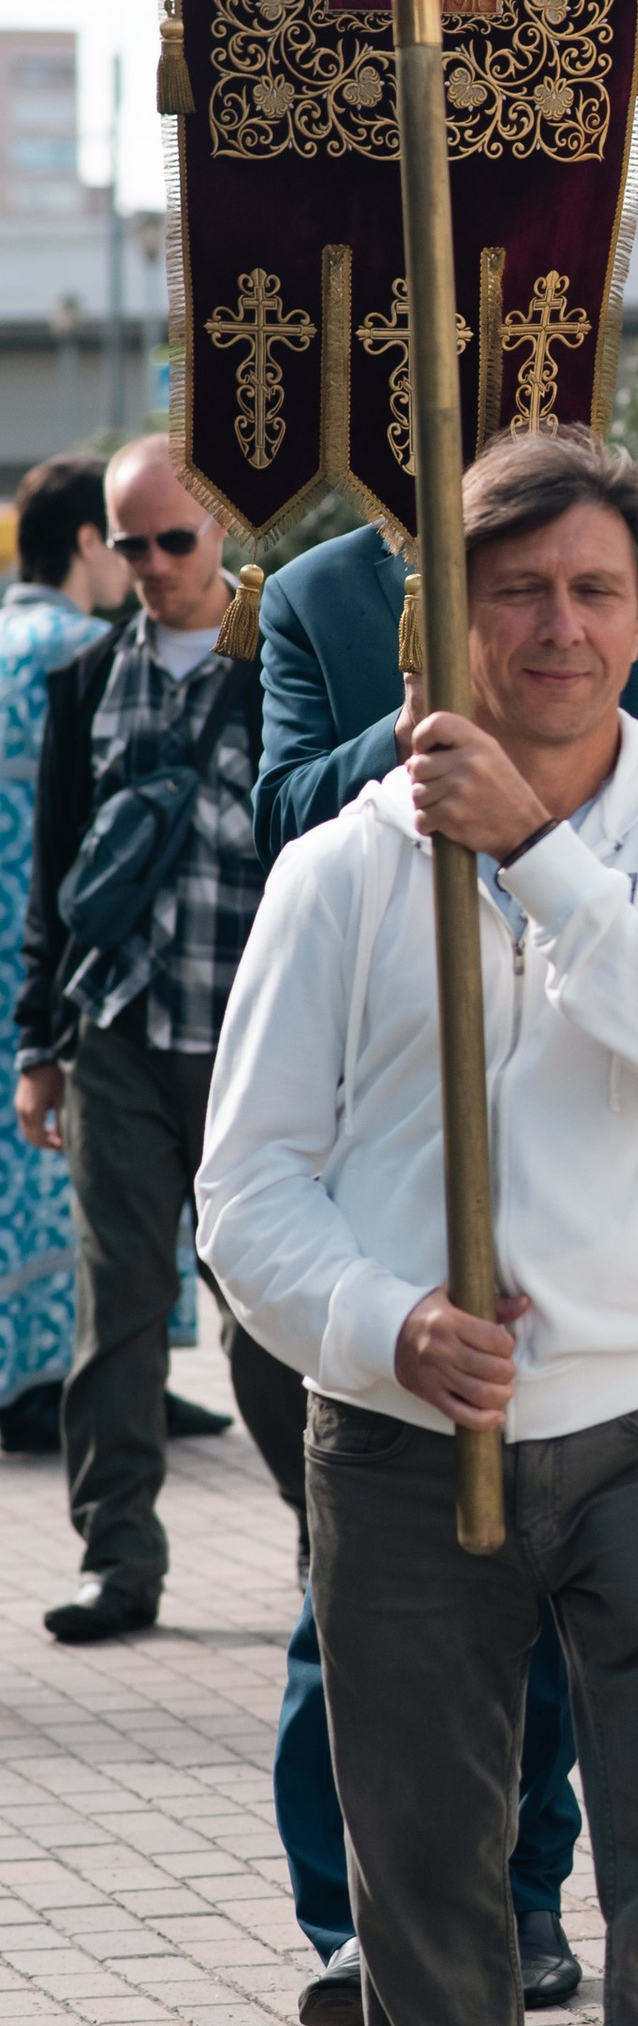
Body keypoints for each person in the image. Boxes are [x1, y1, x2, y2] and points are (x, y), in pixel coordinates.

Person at [197, 432, 638, 2026]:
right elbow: (245, 1187)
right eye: (517, 591)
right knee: (424, 1893)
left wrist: (535, 850)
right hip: (400, 1441)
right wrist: (383, 1320)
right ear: (449, 622)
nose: (558, 628)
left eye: (595, 591)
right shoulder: (336, 873)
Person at [13, 436, 306, 1645]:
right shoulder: (87, 678)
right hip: (121, 1028)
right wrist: (41, 1042)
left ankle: (322, 1545)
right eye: (128, 543)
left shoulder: (286, 663)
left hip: (254, 1035)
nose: (148, 564)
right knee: (116, 1308)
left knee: (269, 1311)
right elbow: (56, 876)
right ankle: (118, 1558)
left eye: (171, 540)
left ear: (223, 532)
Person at [251, 497, 638, 863]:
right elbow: (283, 829)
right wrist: (407, 730)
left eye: (593, 592)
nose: (562, 630)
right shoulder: (311, 594)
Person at [1, 463, 134, 1454]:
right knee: (68, 1173)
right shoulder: (96, 651)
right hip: (67, 950)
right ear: (91, 542)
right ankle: (70, 1379)